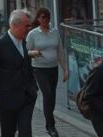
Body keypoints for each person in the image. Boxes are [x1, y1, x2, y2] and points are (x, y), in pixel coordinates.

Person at [0, 9, 38, 137]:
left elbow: (26, 66)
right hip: (7, 100)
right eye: (26, 25)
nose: (29, 29)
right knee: (8, 133)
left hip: (27, 98)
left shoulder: (25, 43)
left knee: (25, 132)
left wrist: (33, 87)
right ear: (14, 25)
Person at [26, 8, 68, 137]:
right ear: (38, 19)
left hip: (53, 68)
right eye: (42, 17)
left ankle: (49, 123)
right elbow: (25, 52)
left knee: (52, 97)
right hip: (39, 69)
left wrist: (65, 69)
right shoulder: (33, 34)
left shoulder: (54, 32)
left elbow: (60, 51)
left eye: (47, 17)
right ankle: (51, 126)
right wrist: (34, 53)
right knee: (48, 94)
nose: (45, 20)